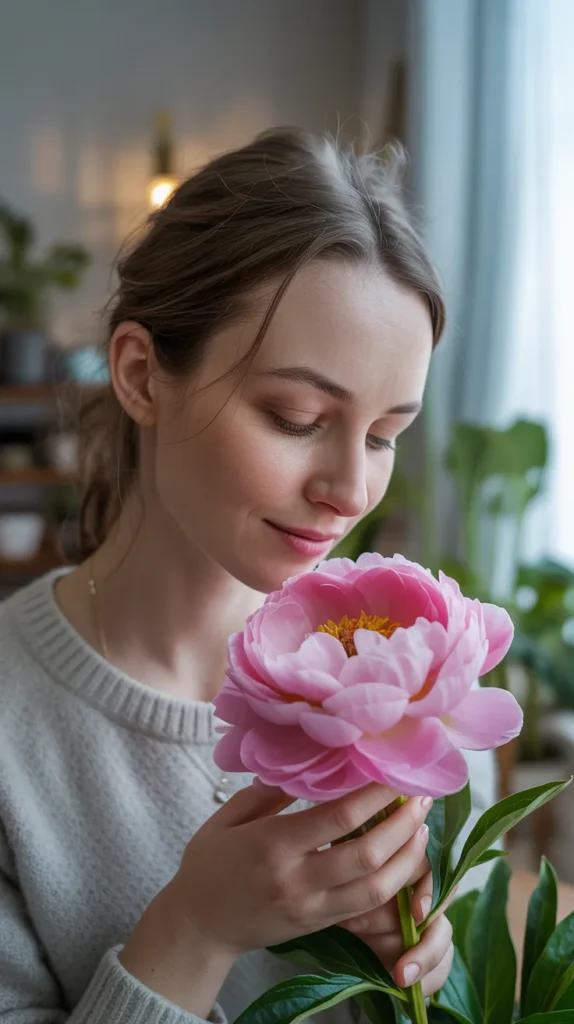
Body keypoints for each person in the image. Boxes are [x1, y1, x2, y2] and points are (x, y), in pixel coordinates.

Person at [0, 127, 497, 1024]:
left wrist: (427, 978)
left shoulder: (415, 690)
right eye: (297, 417)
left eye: (385, 435)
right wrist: (193, 931)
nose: (352, 491)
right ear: (142, 376)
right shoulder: (14, 728)